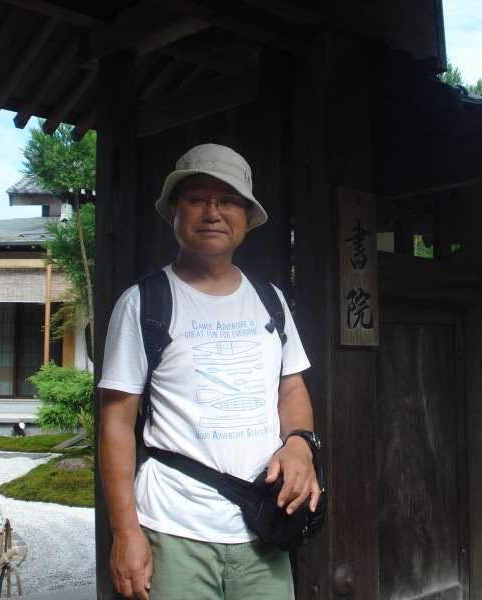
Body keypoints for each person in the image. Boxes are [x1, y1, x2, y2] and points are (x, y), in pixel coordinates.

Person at [97, 143, 321, 600]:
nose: (213, 212)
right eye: (197, 198)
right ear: (175, 212)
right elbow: (116, 421)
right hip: (172, 528)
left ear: (246, 217)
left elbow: (292, 385)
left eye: (229, 199)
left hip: (263, 526)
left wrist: (300, 445)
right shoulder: (143, 303)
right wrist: (125, 533)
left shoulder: (270, 300)